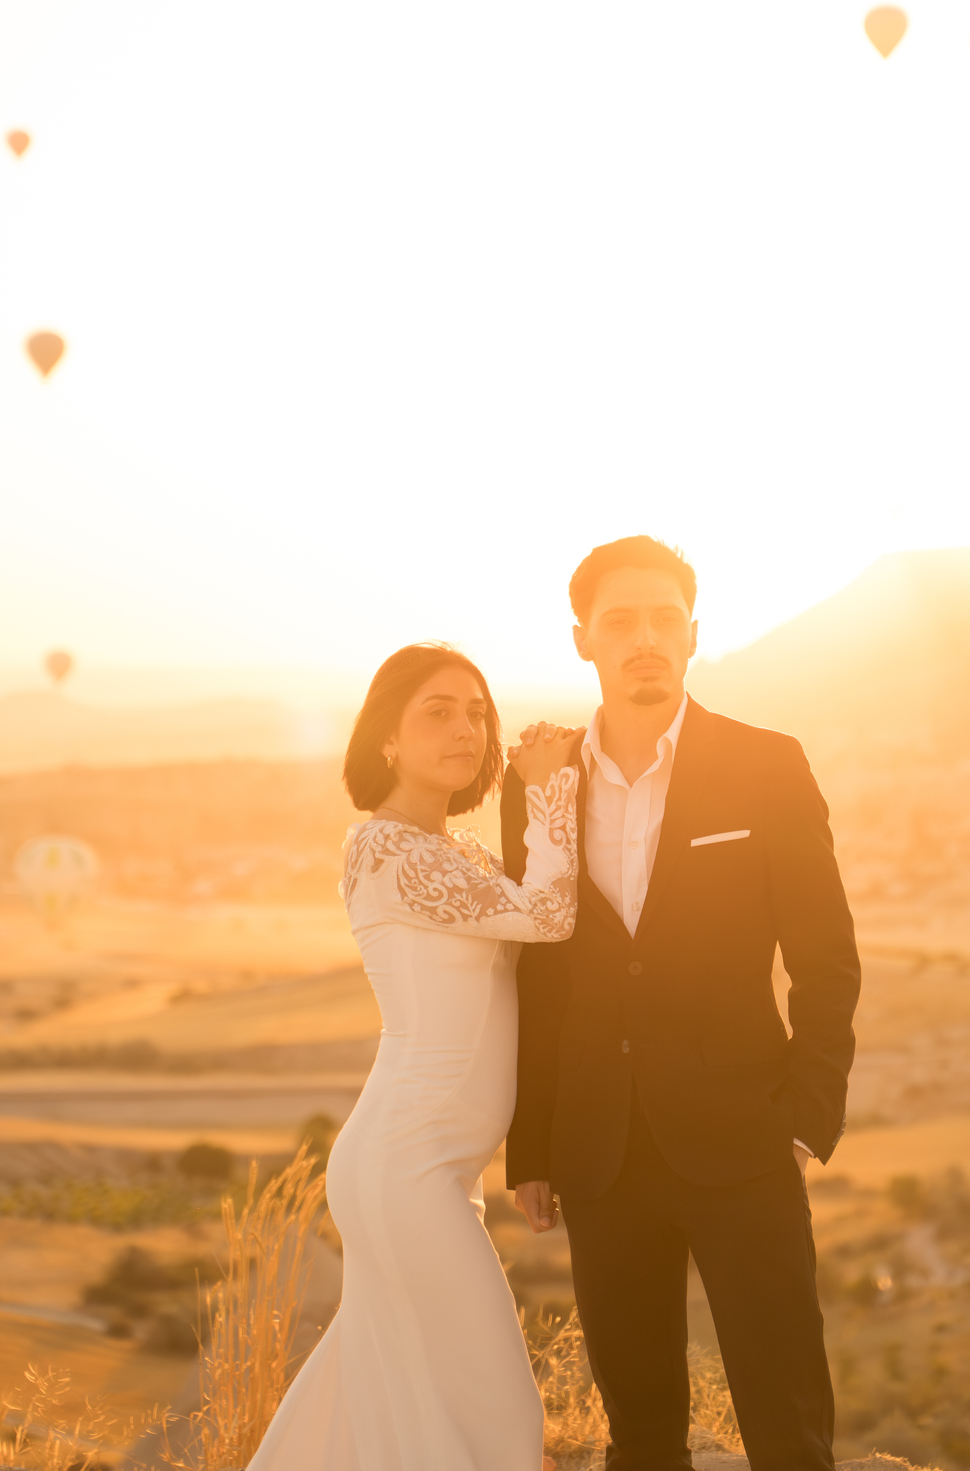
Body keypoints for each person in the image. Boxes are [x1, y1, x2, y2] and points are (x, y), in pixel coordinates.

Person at [502, 537, 861, 1471]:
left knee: (788, 1427)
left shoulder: (767, 764)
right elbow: (538, 973)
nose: (645, 639)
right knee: (642, 1435)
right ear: (582, 639)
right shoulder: (538, 783)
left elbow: (825, 957)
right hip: (599, 1154)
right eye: (620, 620)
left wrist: (806, 1117)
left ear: (694, 634)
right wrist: (533, 1144)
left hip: (745, 1141)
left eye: (665, 619)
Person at [249, 642, 579, 1471]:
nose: (465, 728)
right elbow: (548, 916)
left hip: (432, 1165)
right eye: (438, 711)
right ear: (387, 739)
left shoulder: (459, 853)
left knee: (374, 1400)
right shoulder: (388, 852)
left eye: (477, 712)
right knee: (499, 1414)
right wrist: (551, 788)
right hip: (406, 1165)